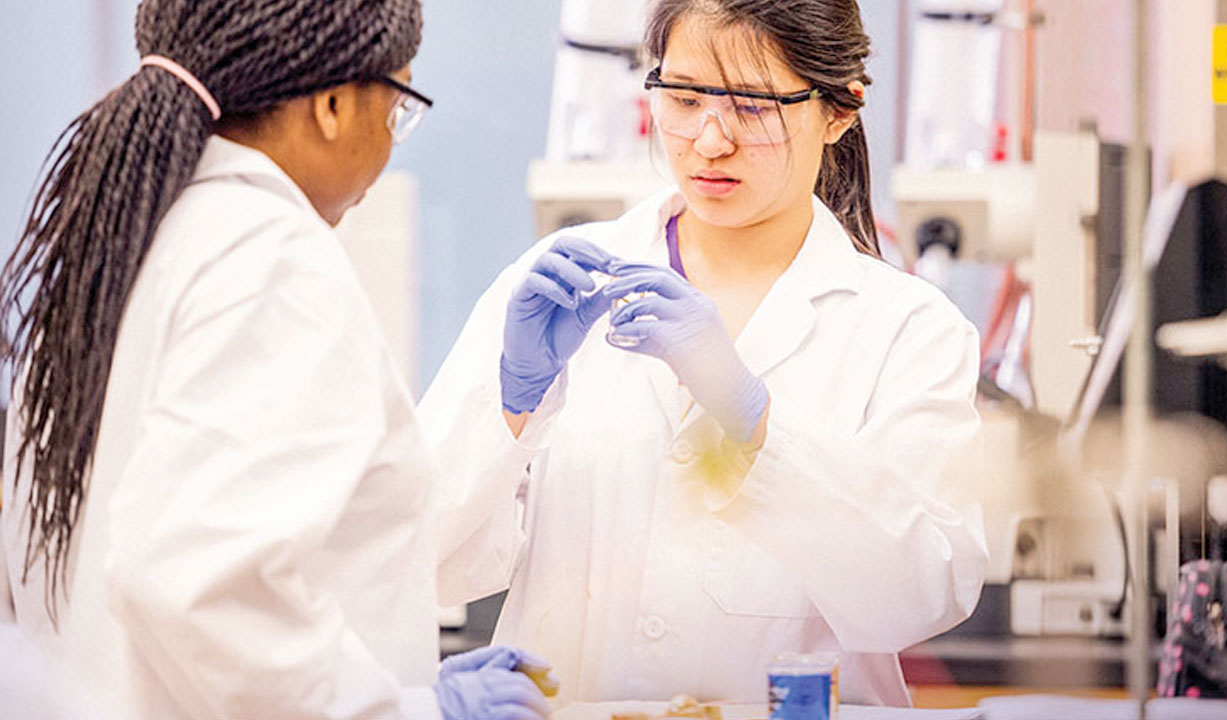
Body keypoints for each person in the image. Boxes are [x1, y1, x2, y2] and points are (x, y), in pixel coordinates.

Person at [420, 0, 988, 707]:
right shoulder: (558, 285)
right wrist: (508, 406)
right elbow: (417, 563)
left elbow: (926, 593)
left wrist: (757, 430)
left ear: (840, 110)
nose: (708, 141)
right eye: (683, 98)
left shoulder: (909, 330)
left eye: (752, 107)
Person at [0, 1, 556, 717]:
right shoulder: (268, 258)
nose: (392, 141)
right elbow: (193, 576)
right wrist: (405, 709)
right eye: (397, 104)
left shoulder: (120, 247)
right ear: (330, 105)